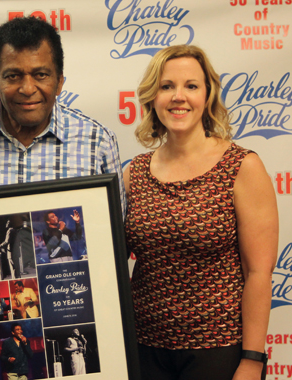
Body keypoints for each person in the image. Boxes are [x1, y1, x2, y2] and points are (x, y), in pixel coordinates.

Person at [124, 45, 278, 380]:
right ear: (153, 96)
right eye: (167, 86)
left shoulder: (241, 167)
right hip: (144, 351)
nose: (178, 97)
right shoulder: (134, 172)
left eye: (191, 86)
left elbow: (258, 274)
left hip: (218, 350)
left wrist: (252, 360)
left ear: (207, 96)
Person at [0, 16, 125, 256]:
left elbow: (116, 234)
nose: (27, 89)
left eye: (41, 75)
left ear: (59, 82)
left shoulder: (97, 141)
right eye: (13, 76)